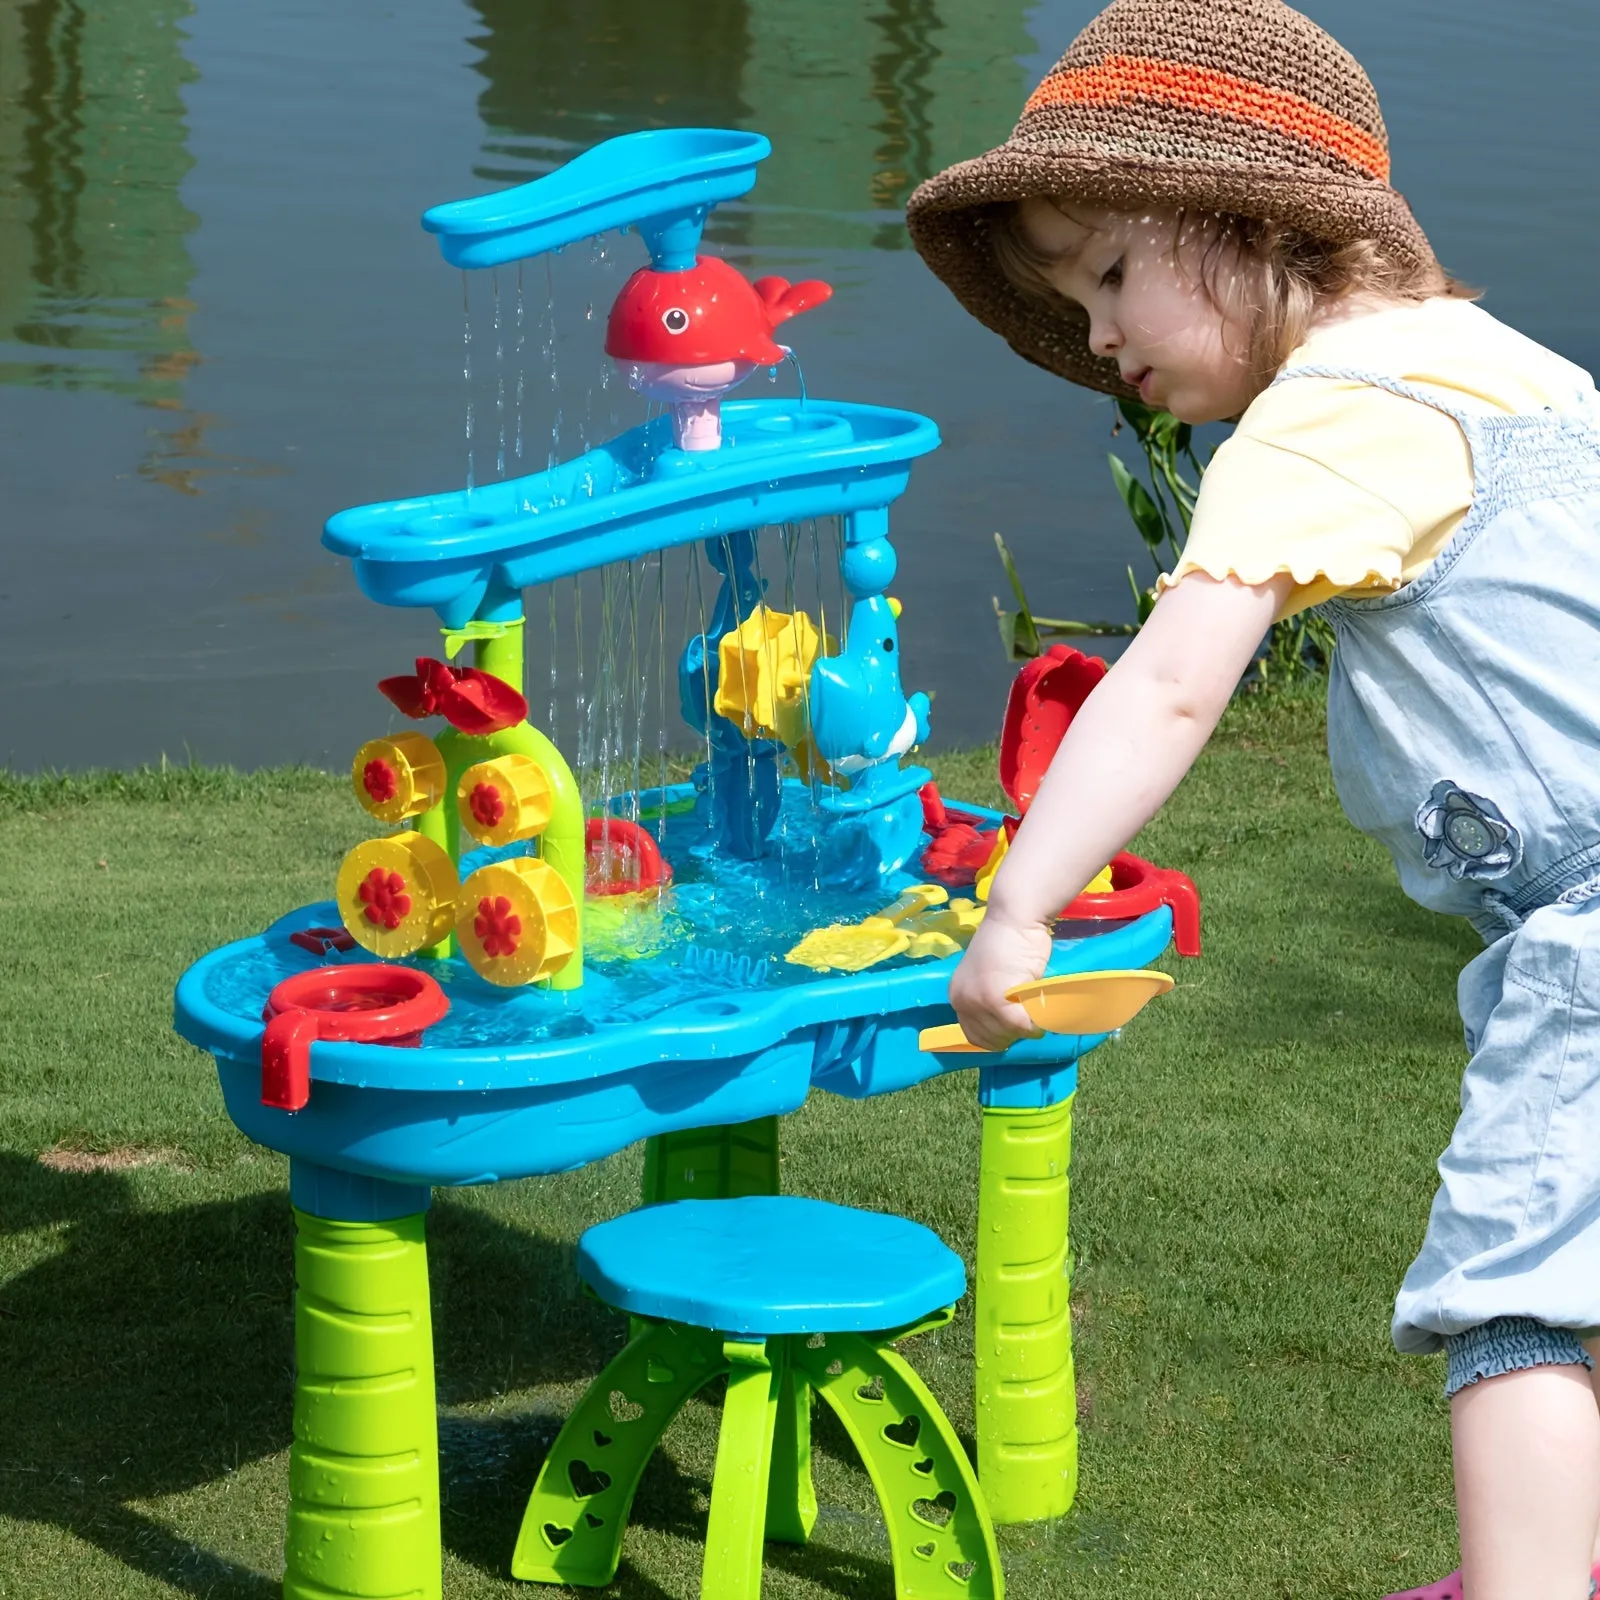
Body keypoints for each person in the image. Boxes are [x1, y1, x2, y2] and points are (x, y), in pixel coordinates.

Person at [905, 3, 1600, 1597]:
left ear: (1247, 227)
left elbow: (1165, 680)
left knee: (1515, 1302)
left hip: (1590, 933)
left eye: (1108, 275)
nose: (1095, 335)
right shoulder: (1518, 371)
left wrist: (1021, 904)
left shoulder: (1322, 415)